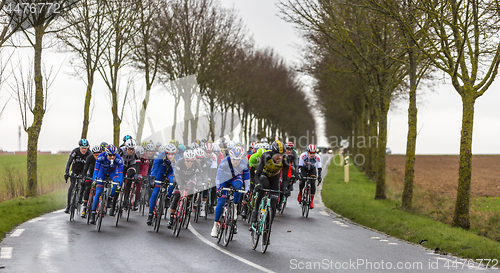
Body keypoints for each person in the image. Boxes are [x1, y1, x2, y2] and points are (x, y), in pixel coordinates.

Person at [250, 140, 291, 236]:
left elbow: (285, 178)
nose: (279, 157)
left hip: (274, 178)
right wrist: (257, 184)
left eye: (281, 154)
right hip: (263, 175)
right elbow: (257, 175)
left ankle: (267, 230)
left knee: (273, 205)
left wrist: (285, 188)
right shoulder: (265, 157)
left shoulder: (285, 160)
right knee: (263, 186)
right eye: (277, 154)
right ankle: (255, 212)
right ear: (272, 152)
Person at [211, 147, 250, 237]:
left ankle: (235, 206)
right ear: (230, 157)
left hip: (235, 179)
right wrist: (218, 189)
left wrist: (247, 191)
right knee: (221, 202)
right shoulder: (224, 162)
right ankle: (215, 226)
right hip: (224, 180)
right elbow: (218, 177)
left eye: (238, 160)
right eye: (233, 159)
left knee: (239, 186)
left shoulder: (243, 164)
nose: (235, 162)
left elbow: (247, 180)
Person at [166, 150, 203, 229]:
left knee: (191, 189)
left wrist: (199, 184)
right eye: (188, 161)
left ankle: (188, 204)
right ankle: (171, 219)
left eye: (191, 161)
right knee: (176, 196)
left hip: (191, 178)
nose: (189, 163)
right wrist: (179, 185)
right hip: (181, 178)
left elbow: (199, 176)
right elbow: (176, 175)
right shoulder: (180, 162)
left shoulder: (196, 164)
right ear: (184, 159)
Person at [89, 144, 123, 225]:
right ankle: (93, 214)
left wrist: (119, 184)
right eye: (110, 155)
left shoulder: (119, 159)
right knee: (98, 191)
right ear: (106, 154)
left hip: (112, 172)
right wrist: (94, 181)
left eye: (113, 155)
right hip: (102, 172)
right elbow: (96, 171)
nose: (112, 157)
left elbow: (121, 174)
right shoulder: (101, 157)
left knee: (116, 183)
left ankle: (110, 198)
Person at [146, 144, 176, 226]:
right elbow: (155, 167)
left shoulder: (177, 158)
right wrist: (153, 177)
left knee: (172, 182)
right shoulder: (161, 156)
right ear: (166, 153)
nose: (171, 155)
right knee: (155, 192)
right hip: (160, 172)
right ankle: (150, 214)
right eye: (169, 154)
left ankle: (168, 198)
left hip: (170, 173)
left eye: (172, 154)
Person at [64, 139, 92, 214]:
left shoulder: (89, 153)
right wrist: (66, 172)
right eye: (82, 148)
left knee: (83, 183)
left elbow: (91, 165)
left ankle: (80, 198)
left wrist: (88, 175)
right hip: (75, 169)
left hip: (84, 170)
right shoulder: (75, 151)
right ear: (79, 147)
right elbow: (69, 162)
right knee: (72, 185)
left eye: (85, 148)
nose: (84, 150)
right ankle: (68, 205)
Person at [116, 139, 141, 215]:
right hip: (122, 165)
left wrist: (136, 175)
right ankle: (115, 201)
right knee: (119, 180)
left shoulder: (136, 152)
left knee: (130, 176)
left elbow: (138, 164)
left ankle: (126, 198)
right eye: (129, 149)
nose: (131, 151)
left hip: (131, 165)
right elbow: (116, 161)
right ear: (126, 148)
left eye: (132, 149)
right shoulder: (121, 150)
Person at [297, 144, 323, 209]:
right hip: (304, 168)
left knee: (313, 182)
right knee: (303, 180)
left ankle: (311, 201)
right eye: (310, 153)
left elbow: (319, 167)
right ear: (307, 152)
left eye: (313, 153)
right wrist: (300, 174)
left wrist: (319, 176)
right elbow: (300, 166)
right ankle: (300, 193)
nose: (312, 155)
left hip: (312, 169)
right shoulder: (303, 155)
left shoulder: (317, 157)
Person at [80, 145, 102, 218]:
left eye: (98, 155)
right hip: (91, 171)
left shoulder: (103, 158)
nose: (97, 156)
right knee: (87, 187)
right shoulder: (89, 158)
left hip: (99, 173)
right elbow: (85, 169)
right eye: (95, 155)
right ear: (92, 154)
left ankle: (99, 206)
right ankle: (85, 207)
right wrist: (83, 177)